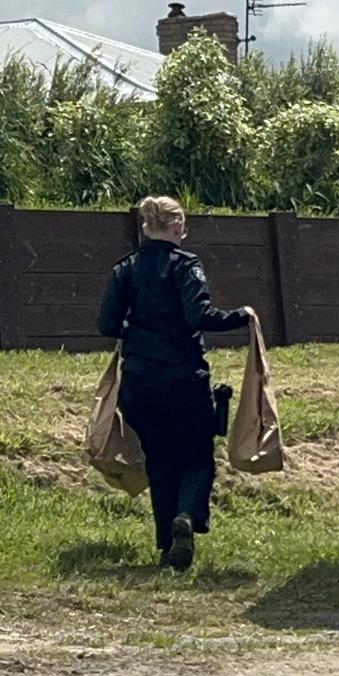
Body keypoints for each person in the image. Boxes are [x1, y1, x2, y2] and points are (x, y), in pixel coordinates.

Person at [97, 196, 252, 571]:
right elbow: (199, 315)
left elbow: (106, 325)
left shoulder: (126, 269)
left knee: (160, 462)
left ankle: (168, 548)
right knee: (198, 459)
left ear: (143, 227)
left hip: (139, 383)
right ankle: (186, 516)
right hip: (183, 380)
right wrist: (242, 316)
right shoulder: (186, 266)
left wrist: (138, 337)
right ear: (178, 227)